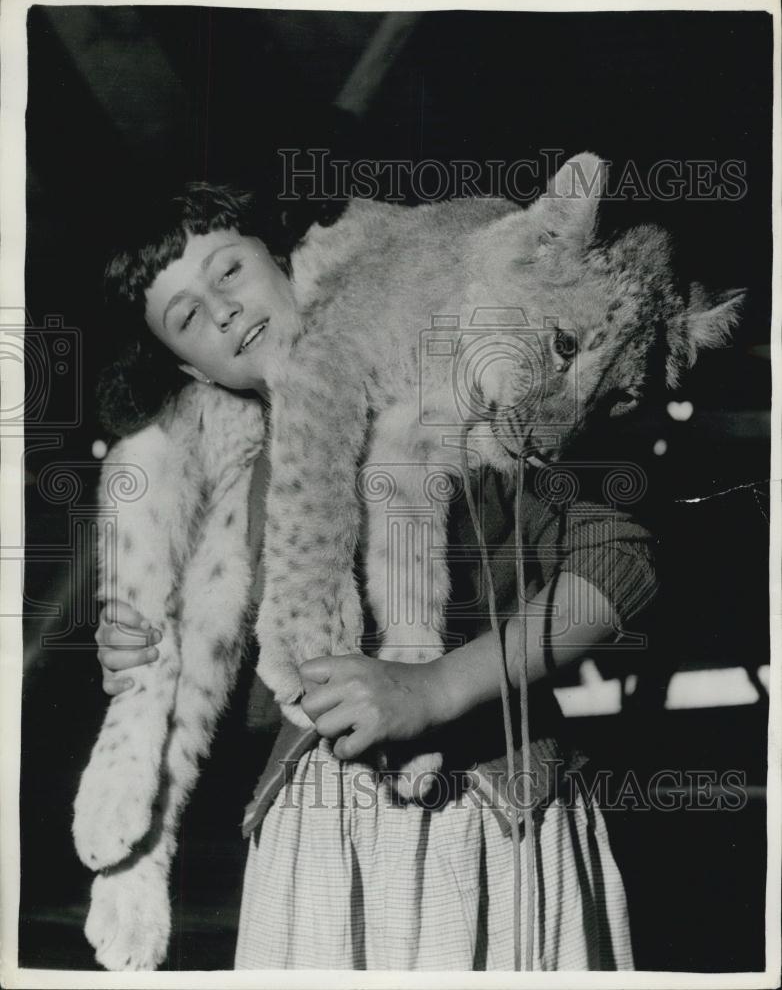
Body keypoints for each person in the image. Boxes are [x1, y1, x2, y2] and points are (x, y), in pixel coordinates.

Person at [94, 182, 657, 970]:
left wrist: (435, 690)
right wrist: (138, 648)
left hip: (489, 816)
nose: (221, 311)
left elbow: (621, 563)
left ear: (283, 256)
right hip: (312, 839)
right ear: (188, 365)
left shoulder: (468, 355)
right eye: (187, 317)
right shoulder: (228, 463)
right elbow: (215, 653)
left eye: (228, 272)